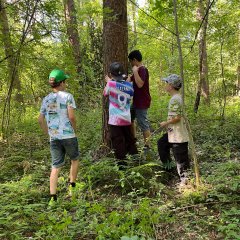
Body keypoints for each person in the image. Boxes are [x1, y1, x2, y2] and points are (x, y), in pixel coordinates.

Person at [38, 69, 80, 206]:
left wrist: (48, 133)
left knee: (55, 167)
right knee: (74, 159)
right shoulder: (68, 96)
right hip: (68, 134)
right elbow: (72, 117)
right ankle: (72, 189)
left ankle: (53, 198)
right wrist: (75, 130)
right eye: (65, 81)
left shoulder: (46, 99)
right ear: (61, 83)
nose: (66, 83)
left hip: (54, 137)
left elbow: (40, 119)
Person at [157, 74, 190, 185]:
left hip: (178, 135)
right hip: (173, 133)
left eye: (166, 83)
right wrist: (167, 125)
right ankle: (170, 170)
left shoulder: (175, 99)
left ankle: (185, 182)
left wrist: (165, 123)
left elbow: (177, 118)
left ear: (171, 85)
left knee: (181, 159)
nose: (165, 85)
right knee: (162, 144)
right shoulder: (176, 98)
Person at [104, 62, 138, 166]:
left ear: (111, 74)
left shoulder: (110, 84)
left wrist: (108, 82)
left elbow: (105, 93)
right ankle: (136, 159)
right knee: (130, 139)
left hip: (115, 120)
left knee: (118, 142)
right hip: (126, 118)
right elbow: (131, 93)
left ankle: (122, 165)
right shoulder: (129, 85)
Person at [128, 50, 151, 149]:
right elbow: (129, 80)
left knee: (143, 123)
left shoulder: (142, 69)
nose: (130, 64)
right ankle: (133, 140)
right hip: (136, 102)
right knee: (129, 118)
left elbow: (140, 84)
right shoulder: (137, 70)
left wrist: (134, 72)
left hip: (142, 102)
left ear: (134, 60)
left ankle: (147, 146)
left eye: (131, 61)